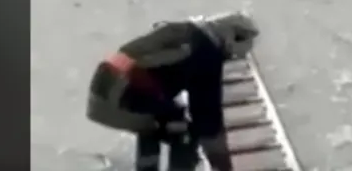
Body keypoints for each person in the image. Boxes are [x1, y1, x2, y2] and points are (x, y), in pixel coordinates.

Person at [86, 11, 260, 171]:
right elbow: (207, 118)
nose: (225, 60)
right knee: (182, 129)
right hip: (116, 99)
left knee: (160, 119)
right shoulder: (206, 52)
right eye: (229, 55)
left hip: (103, 93)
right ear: (231, 37)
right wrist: (222, 164)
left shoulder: (184, 31)